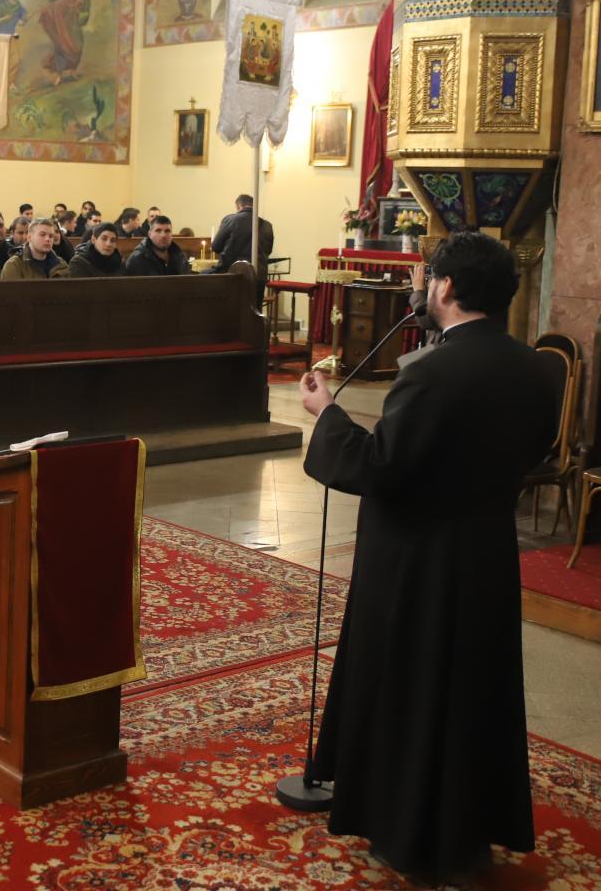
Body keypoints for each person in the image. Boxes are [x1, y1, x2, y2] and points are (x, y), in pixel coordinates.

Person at [298, 231, 555, 885]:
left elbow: (379, 467)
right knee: (470, 690)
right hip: (487, 552)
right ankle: (468, 824)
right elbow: (533, 452)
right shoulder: (535, 367)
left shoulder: (431, 373)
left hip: (417, 561)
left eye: (428, 278)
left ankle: (407, 829)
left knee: (412, 688)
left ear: (446, 286)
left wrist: (327, 414)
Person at [210, 193, 275, 285]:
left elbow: (216, 247)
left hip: (232, 274)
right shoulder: (267, 225)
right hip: (259, 277)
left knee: (202, 276)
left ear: (238, 206)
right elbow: (268, 250)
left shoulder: (230, 220)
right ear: (254, 205)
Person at [0, 218, 69, 279]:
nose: (48, 239)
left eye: (51, 236)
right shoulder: (14, 265)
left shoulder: (61, 264)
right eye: (42, 235)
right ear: (29, 237)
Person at [124, 215, 190, 276]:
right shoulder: (137, 260)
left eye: (167, 231)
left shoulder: (180, 256)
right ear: (149, 234)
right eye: (158, 231)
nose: (163, 235)